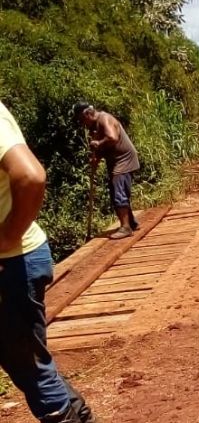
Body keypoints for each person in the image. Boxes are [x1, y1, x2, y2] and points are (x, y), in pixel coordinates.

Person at [0, 100, 97, 422]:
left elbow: (31, 177)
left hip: (12, 263)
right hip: (16, 261)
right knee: (29, 364)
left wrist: (4, 239)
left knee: (31, 369)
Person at [73, 102, 139, 239]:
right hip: (115, 160)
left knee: (118, 191)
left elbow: (112, 137)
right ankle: (131, 222)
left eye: (81, 119)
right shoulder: (93, 127)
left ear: (87, 114)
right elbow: (100, 148)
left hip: (123, 159)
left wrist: (98, 143)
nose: (81, 123)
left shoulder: (104, 119)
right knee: (118, 190)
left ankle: (126, 227)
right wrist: (95, 159)